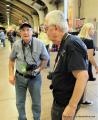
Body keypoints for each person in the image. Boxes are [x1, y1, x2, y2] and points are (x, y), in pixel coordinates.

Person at [45, 10, 88, 120]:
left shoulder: (71, 44)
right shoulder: (65, 42)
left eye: (46, 28)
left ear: (55, 28)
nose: (45, 32)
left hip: (65, 103)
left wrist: (71, 106)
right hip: (61, 99)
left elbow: (82, 76)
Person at [9, 23, 49, 120]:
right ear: (20, 33)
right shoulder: (16, 45)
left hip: (35, 78)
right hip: (20, 77)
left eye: (28, 29)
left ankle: (36, 118)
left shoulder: (39, 43)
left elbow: (45, 59)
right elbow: (11, 60)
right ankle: (22, 118)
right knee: (19, 102)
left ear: (32, 31)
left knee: (36, 102)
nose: (25, 32)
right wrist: (10, 74)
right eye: (23, 30)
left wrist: (39, 69)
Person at [78, 23, 98, 105]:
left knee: (77, 81)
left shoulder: (78, 38)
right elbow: (90, 57)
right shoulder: (89, 41)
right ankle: (83, 100)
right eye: (93, 29)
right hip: (85, 64)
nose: (94, 30)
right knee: (84, 83)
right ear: (88, 30)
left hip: (77, 63)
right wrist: (96, 66)